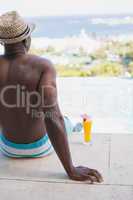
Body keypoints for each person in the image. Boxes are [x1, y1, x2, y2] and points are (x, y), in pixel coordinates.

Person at [0, 11, 103, 182]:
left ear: (3, 41)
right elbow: (53, 117)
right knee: (66, 122)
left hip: (7, 148)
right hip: (39, 148)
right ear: (27, 39)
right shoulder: (43, 66)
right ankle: (77, 126)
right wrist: (71, 169)